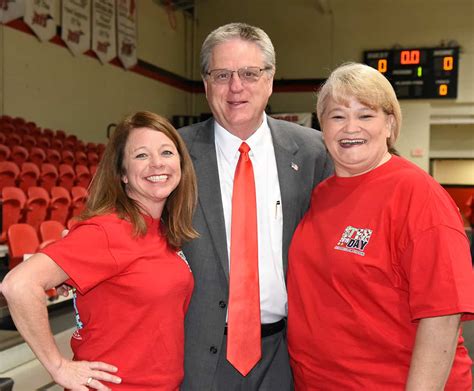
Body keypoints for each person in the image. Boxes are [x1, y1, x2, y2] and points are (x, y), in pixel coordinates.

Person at [287, 62, 474, 390]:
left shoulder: (418, 196)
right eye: (337, 116)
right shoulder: (321, 195)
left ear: (389, 124)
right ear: (322, 127)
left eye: (365, 115)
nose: (350, 127)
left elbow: (442, 317)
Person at [178, 23, 333, 390]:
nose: (236, 87)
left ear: (270, 79)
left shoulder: (314, 152)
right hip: (196, 356)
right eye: (222, 74)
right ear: (205, 83)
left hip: (287, 353)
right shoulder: (173, 154)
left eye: (249, 73)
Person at [1, 111, 198, 390]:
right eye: (141, 155)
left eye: (167, 152)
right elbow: (18, 285)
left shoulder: (164, 231)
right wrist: (58, 367)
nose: (157, 163)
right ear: (122, 173)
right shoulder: (108, 230)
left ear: (181, 163)